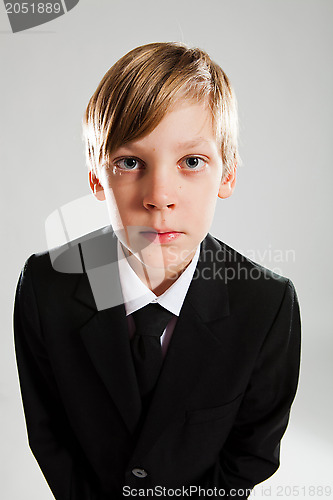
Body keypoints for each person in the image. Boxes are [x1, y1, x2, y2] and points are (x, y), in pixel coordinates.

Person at [14, 42, 301, 500]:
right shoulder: (46, 287)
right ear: (96, 175)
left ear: (226, 174)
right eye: (130, 162)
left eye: (192, 162)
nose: (159, 196)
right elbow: (50, 434)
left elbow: (251, 454)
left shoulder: (265, 304)